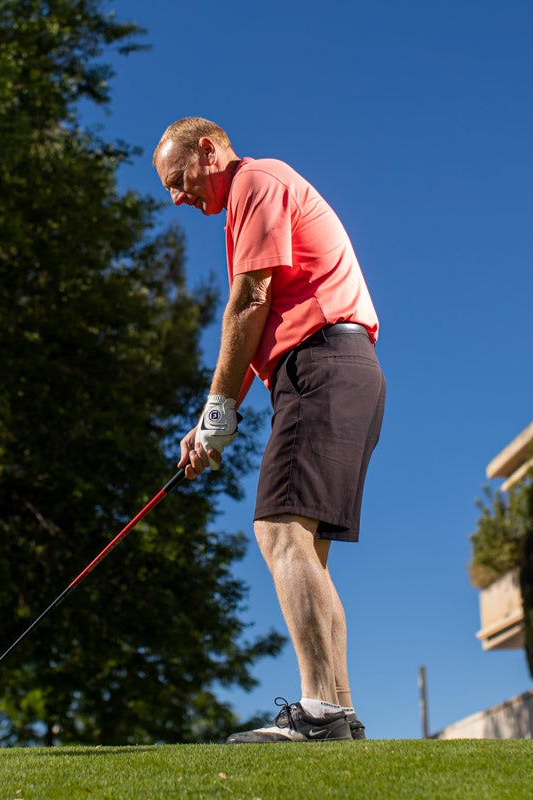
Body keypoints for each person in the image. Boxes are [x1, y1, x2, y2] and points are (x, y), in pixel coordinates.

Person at [152, 118, 385, 743]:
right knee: (305, 548)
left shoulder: (255, 179)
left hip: (323, 364)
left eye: (178, 181)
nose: (176, 198)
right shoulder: (251, 198)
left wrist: (217, 414)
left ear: (208, 151)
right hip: (338, 370)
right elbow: (263, 316)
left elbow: (249, 301)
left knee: (279, 527)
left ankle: (319, 712)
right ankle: (338, 711)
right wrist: (215, 423)